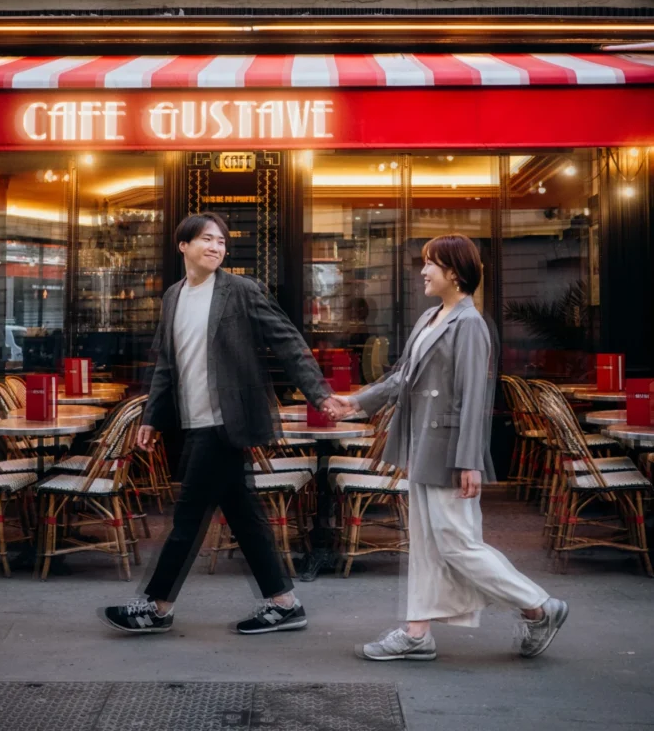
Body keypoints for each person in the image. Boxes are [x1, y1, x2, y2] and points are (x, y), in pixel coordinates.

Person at [99, 212, 345, 637]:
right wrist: (152, 417)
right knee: (244, 516)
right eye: (207, 240)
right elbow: (166, 365)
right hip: (195, 422)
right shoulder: (174, 297)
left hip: (226, 422)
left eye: (222, 242)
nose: (216, 247)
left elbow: (288, 341)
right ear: (184, 246)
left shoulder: (241, 291)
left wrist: (319, 393)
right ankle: (284, 604)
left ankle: (157, 606)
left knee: (188, 517)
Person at [331, 234, 568, 661]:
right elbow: (401, 377)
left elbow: (475, 396)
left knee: (457, 542)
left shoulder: (471, 325)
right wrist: (355, 402)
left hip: (448, 450)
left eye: (431, 264)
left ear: (454, 273)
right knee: (425, 542)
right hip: (421, 443)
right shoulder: (430, 318)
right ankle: (417, 633)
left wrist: (469, 461)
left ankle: (538, 606)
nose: (423, 271)